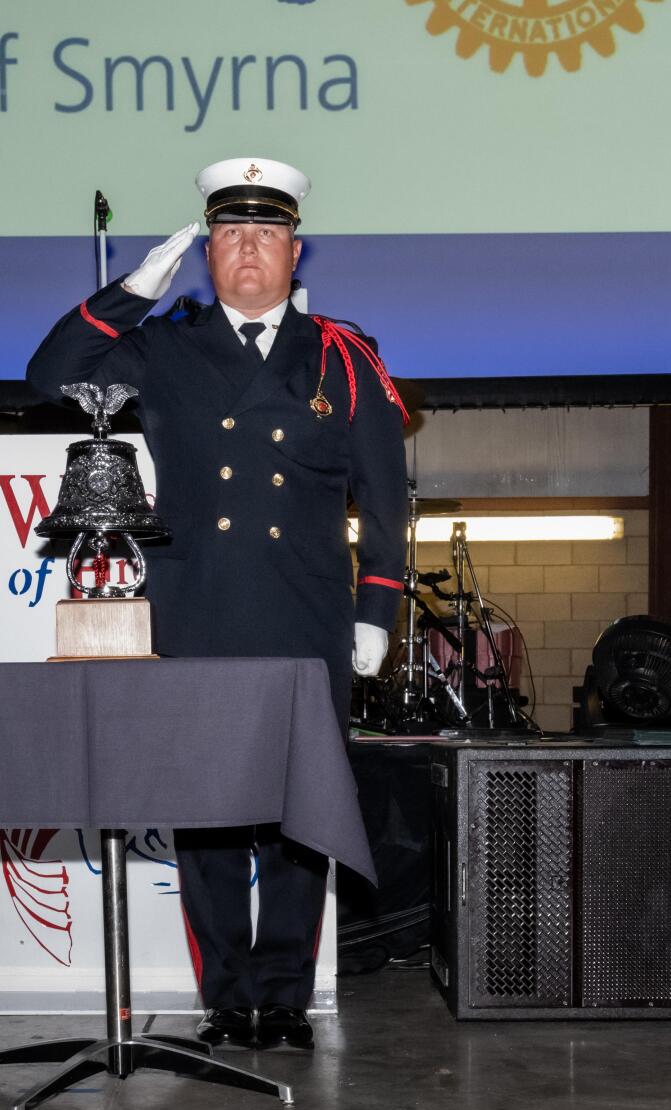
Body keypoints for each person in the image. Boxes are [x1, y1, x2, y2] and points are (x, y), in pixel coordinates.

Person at [27, 156, 407, 1052]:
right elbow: (49, 373)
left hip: (304, 618)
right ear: (206, 253)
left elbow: (388, 492)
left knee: (295, 818)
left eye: (265, 232)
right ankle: (225, 995)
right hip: (195, 613)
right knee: (203, 817)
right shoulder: (166, 346)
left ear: (295, 249)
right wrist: (133, 288)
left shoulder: (345, 357)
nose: (247, 248)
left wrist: (376, 610)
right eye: (229, 233)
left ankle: (282, 995)